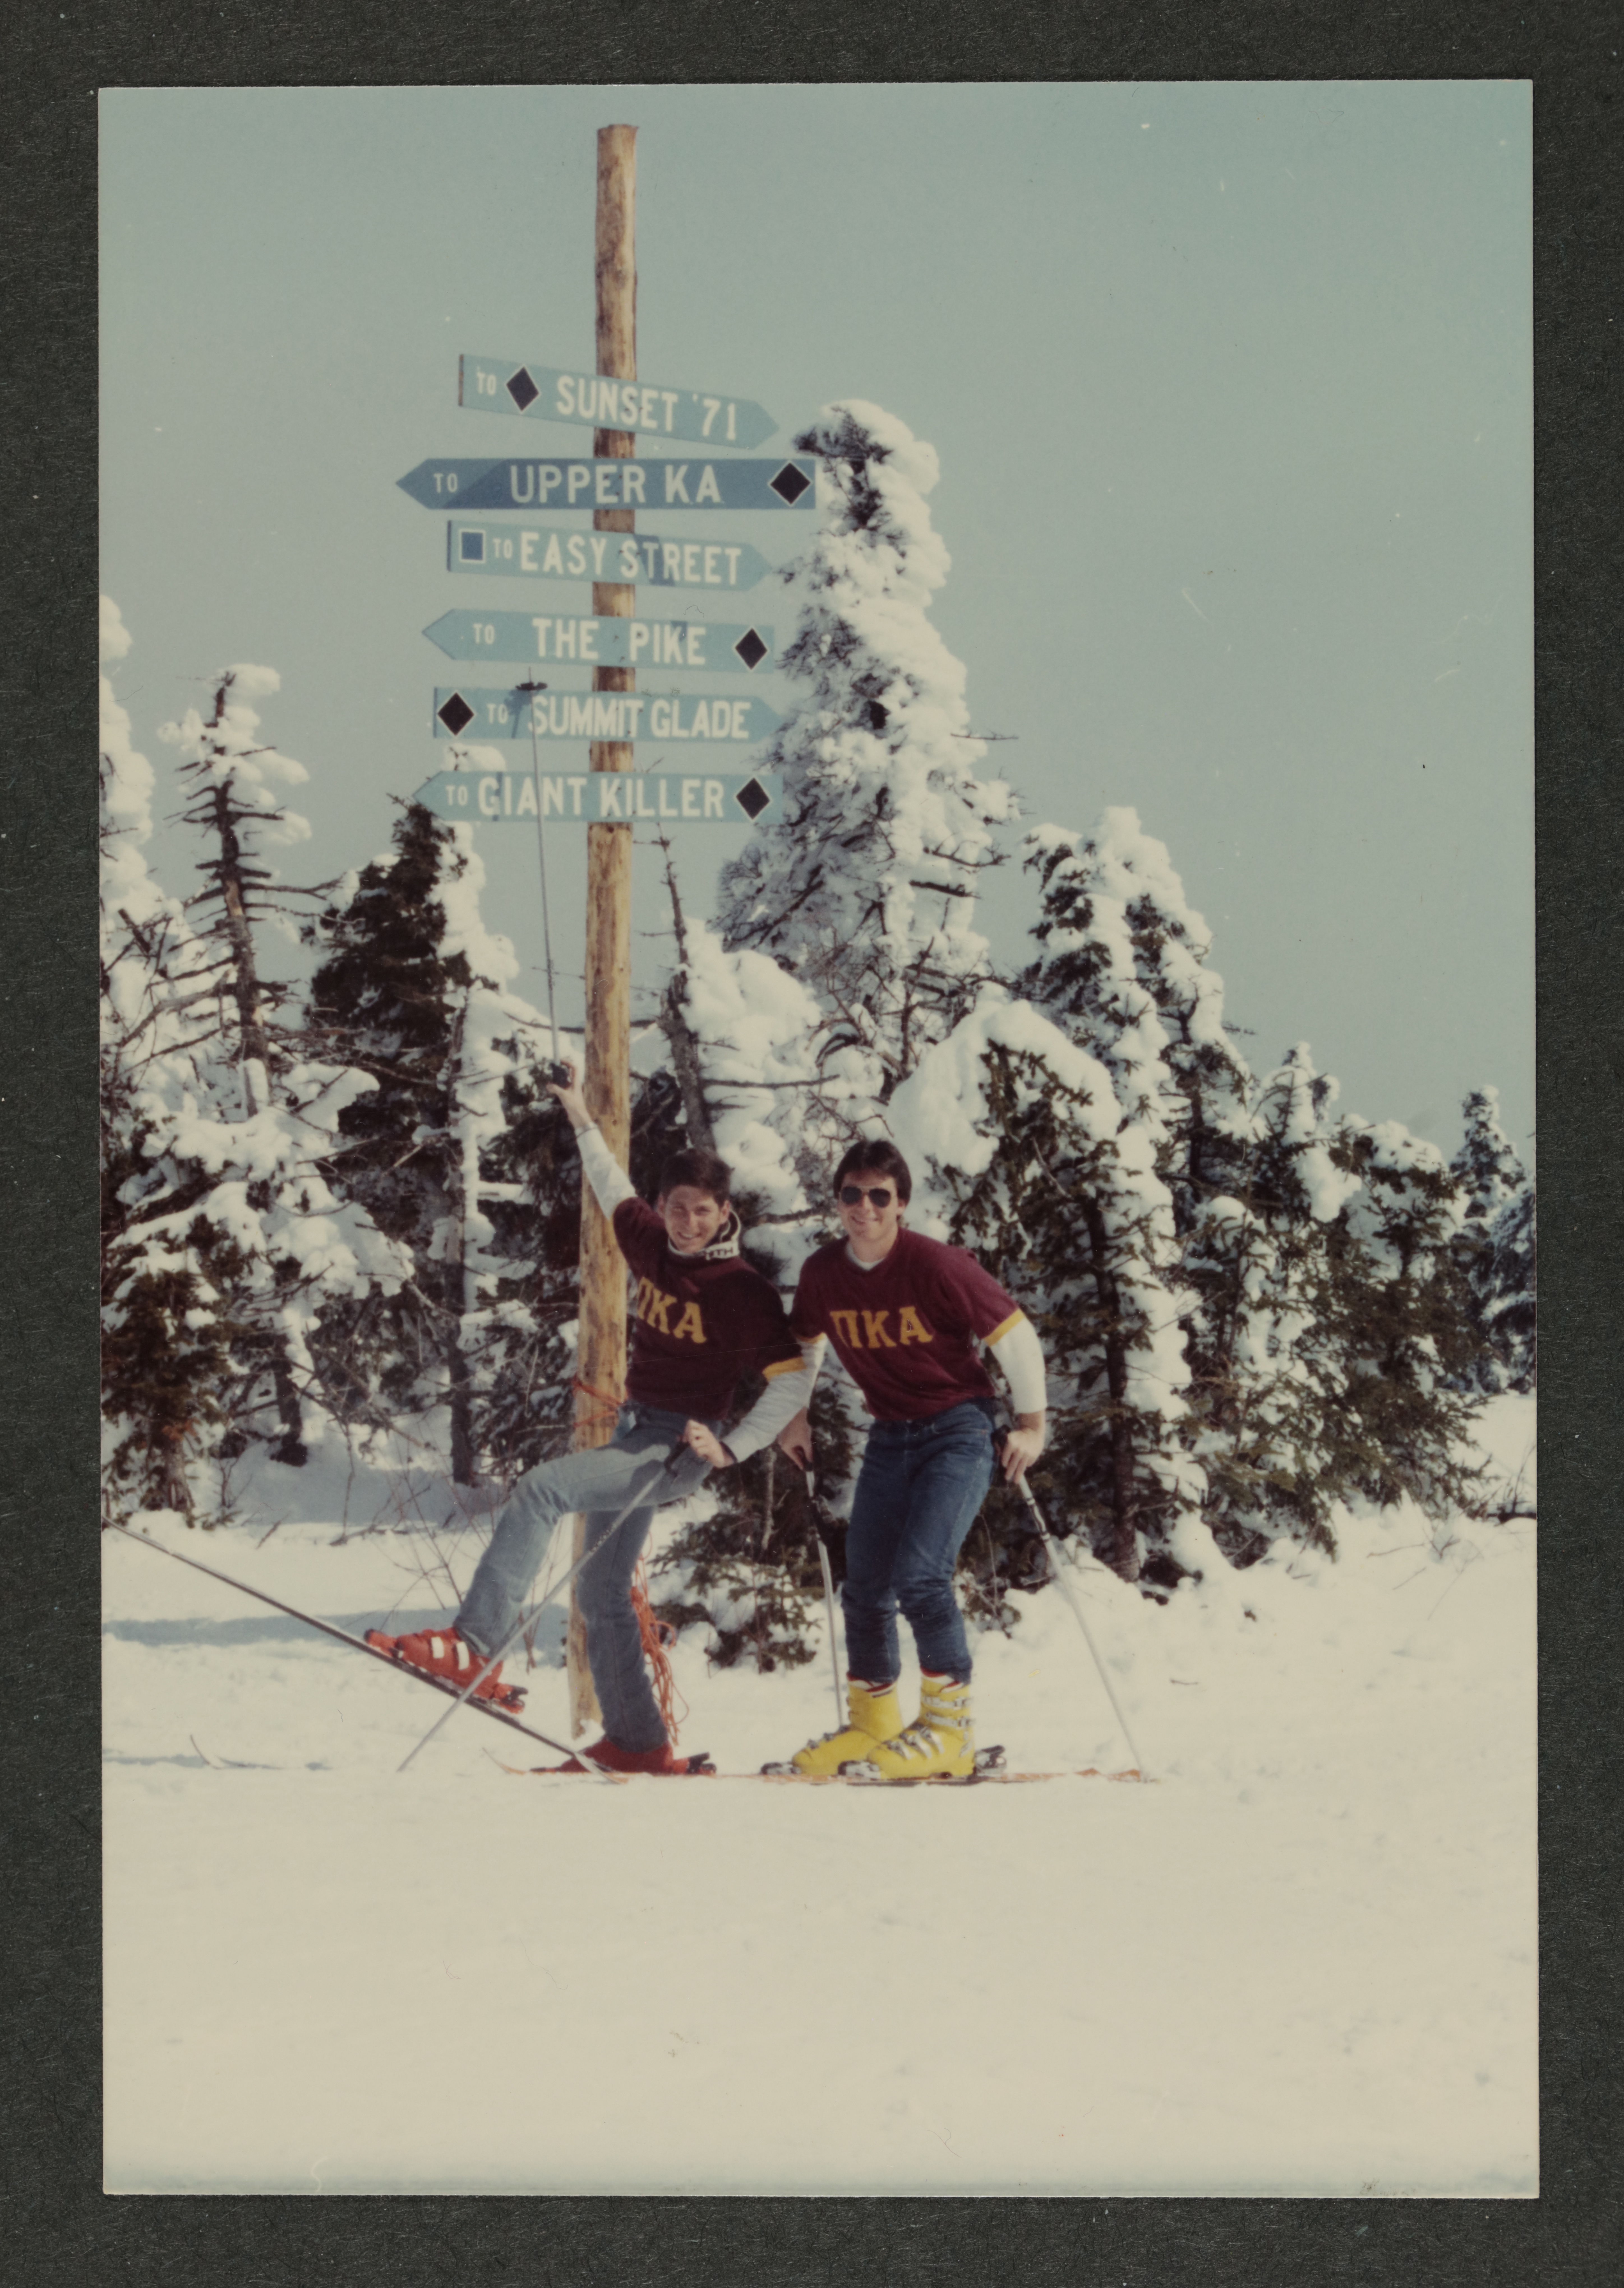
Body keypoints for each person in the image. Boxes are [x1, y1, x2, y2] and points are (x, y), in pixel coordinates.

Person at [368, 1064, 813, 1774]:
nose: (689, 1222)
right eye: (678, 1208)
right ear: (664, 1205)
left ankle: (474, 1647)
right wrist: (578, 1111)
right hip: (635, 1429)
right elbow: (610, 1184)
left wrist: (731, 1445)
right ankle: (638, 1741)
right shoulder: (651, 1241)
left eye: (703, 1210)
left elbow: (793, 1380)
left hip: (676, 1448)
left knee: (541, 1488)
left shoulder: (742, 1291)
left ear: (725, 1211)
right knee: (600, 1593)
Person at [772, 1139, 1047, 1781]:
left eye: (880, 1195)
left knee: (921, 1575)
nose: (864, 1207)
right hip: (890, 1434)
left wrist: (1033, 1426)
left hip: (958, 1429)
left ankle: (951, 1733)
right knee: (865, 1586)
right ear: (837, 1199)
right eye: (851, 1193)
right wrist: (794, 1412)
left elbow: (1015, 1334)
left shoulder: (936, 1264)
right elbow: (805, 1340)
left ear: (901, 1204)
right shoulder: (823, 1272)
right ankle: (873, 1724)